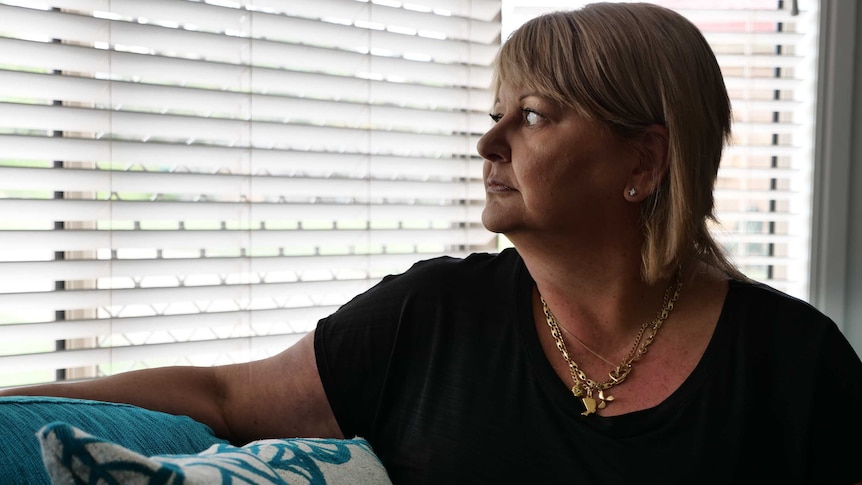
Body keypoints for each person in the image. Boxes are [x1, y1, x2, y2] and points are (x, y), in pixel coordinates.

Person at [3, 2, 861, 483]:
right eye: (495, 114)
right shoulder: (431, 315)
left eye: (530, 115)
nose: (489, 144)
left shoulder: (793, 361)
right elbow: (228, 397)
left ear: (643, 159)